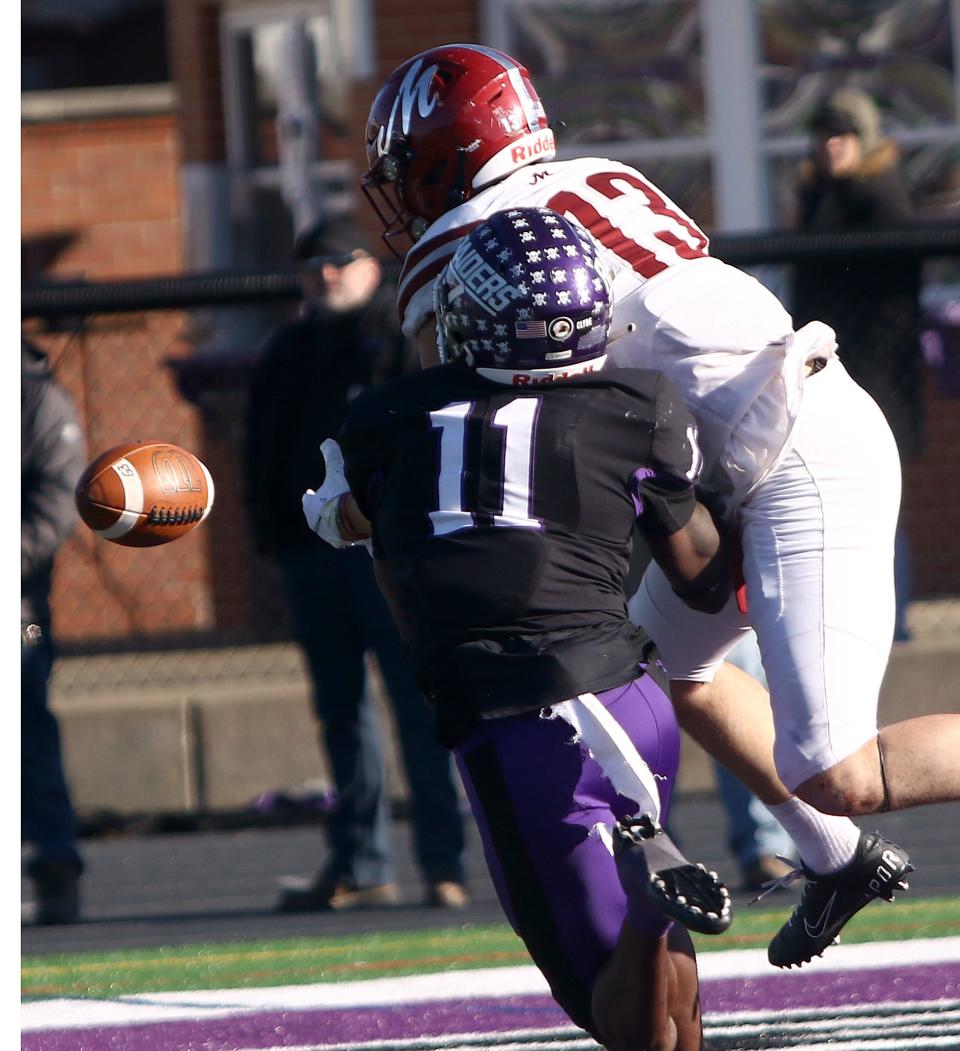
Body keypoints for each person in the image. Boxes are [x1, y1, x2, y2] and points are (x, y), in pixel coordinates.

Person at [357, 43, 960, 968]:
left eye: (406, 169)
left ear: (451, 152)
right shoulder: (604, 173)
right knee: (673, 673)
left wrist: (354, 480)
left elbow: (466, 400)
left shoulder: (467, 240)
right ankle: (836, 860)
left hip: (798, 456)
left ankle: (834, 823)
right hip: (747, 448)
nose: (398, 196)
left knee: (836, 767)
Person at [304, 206, 732, 1051]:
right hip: (635, 699)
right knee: (669, 1010)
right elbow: (700, 573)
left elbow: (338, 520)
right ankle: (654, 907)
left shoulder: (386, 421)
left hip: (521, 721)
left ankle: (651, 914)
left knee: (601, 993)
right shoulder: (638, 405)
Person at [243, 213, 468, 911]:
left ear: (372, 266)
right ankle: (361, 861)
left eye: (340, 261)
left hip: (388, 553)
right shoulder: (289, 348)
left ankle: (443, 862)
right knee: (341, 712)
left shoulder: (400, 340)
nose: (325, 276)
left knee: (416, 705)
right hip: (311, 559)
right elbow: (262, 452)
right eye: (313, 266)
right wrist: (272, 539)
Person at [792, 86, 923, 641]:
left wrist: (861, 374)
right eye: (823, 134)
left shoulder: (880, 198)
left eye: (842, 134)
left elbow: (892, 303)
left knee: (875, 502)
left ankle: (894, 627)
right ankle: (863, 625)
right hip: (834, 372)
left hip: (875, 378)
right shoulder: (823, 195)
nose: (831, 145)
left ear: (863, 139)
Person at [22, 336, 87, 925]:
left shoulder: (36, 399)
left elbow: (56, 503)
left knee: (25, 735)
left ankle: (54, 867)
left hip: (14, 609)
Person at [711, 633, 796, 893]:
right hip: (627, 597)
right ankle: (645, 853)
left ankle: (764, 847)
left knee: (735, 690)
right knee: (637, 697)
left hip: (725, 598)